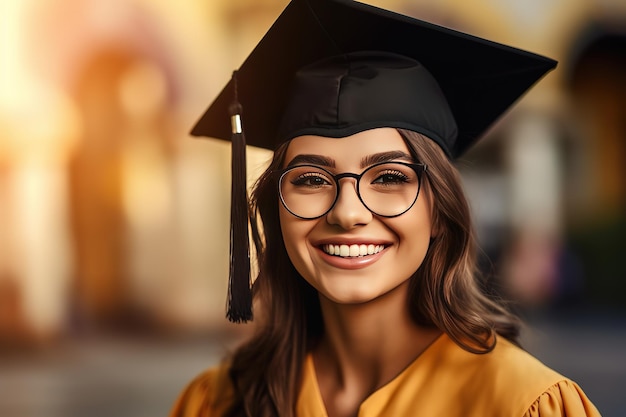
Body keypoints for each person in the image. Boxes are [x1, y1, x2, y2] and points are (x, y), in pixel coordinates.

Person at [170, 0, 601, 416]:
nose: (347, 213)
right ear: (275, 209)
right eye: (311, 180)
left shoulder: (523, 403)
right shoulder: (219, 402)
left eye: (390, 177)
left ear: (439, 210)